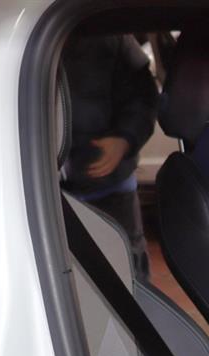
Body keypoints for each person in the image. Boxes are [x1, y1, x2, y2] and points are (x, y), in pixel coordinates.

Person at [61, 34, 158, 280]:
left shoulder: (113, 37)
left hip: (111, 189)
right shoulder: (17, 34)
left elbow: (144, 98)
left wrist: (125, 139)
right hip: (41, 192)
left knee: (128, 271)